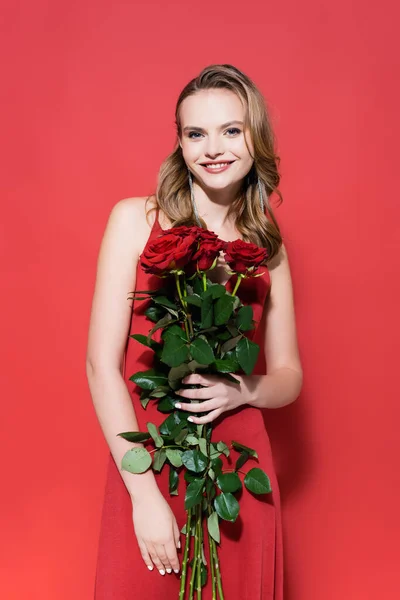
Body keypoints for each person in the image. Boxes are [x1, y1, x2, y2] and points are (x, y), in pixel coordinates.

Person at [86, 63, 303, 599]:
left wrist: (241, 390)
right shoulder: (135, 219)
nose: (214, 148)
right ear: (179, 143)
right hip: (152, 455)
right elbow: (100, 366)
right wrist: (143, 497)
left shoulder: (267, 248)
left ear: (256, 137)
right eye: (196, 133)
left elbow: (290, 375)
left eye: (231, 130)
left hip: (239, 462)